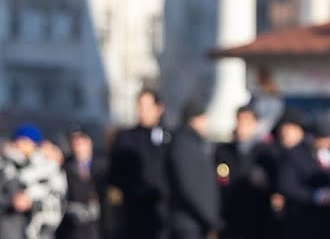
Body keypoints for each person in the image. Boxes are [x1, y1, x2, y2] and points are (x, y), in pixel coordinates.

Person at [106, 89, 169, 239]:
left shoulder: (168, 138)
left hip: (164, 213)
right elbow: (114, 175)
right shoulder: (126, 138)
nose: (142, 111)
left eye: (147, 107)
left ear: (158, 109)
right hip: (135, 212)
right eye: (139, 106)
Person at [214, 105, 276, 239]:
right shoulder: (223, 151)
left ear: (255, 124)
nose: (242, 126)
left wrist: (265, 182)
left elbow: (278, 183)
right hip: (230, 218)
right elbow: (219, 181)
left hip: (258, 219)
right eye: (239, 121)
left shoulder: (266, 152)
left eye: (246, 122)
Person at [166, 101, 220, 239]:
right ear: (195, 119)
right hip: (188, 223)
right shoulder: (184, 145)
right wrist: (210, 219)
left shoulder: (193, 143)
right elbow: (189, 186)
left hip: (195, 222)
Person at [1, 125, 67, 239]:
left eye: (27, 141)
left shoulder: (49, 169)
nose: (21, 144)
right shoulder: (5, 167)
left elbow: (59, 201)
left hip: (40, 233)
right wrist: (11, 201)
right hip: (9, 231)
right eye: (19, 140)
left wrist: (31, 203)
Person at [56, 128, 106, 239]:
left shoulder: (103, 165)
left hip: (99, 226)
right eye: (75, 143)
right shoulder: (66, 167)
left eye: (81, 143)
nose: (78, 147)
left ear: (89, 143)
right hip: (74, 227)